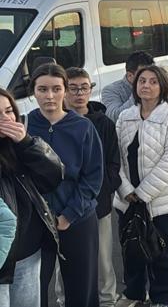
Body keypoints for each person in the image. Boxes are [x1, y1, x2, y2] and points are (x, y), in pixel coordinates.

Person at [113, 65, 168, 307]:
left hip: (162, 197)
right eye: (142, 81)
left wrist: (143, 193)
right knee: (131, 247)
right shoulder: (125, 117)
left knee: (162, 250)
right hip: (128, 197)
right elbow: (115, 157)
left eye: (152, 81)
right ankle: (134, 293)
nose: (146, 86)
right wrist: (126, 190)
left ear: (163, 87)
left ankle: (163, 297)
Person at [27, 64, 103, 307]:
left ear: (65, 91)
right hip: (36, 221)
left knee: (81, 289)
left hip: (77, 219)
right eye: (42, 89)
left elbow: (93, 178)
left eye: (56, 89)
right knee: (32, 289)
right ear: (33, 91)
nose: (49, 95)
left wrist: (69, 215)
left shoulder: (83, 127)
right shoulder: (25, 125)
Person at [63, 68, 122, 307]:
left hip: (98, 202)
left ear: (91, 89)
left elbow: (114, 162)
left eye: (84, 88)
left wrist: (104, 187)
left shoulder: (104, 123)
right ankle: (64, 299)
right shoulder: (55, 122)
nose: (79, 93)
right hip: (63, 205)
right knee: (62, 259)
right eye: (73, 88)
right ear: (65, 91)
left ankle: (108, 300)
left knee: (102, 258)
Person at [0, 88, 63, 307]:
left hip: (27, 252)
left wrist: (26, 143)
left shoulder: (21, 145)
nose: (6, 119)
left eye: (9, 111)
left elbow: (54, 176)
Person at [102, 51, 155, 122]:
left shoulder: (157, 86)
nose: (149, 78)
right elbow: (113, 117)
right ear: (130, 75)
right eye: (142, 75)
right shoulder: (111, 90)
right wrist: (137, 93)